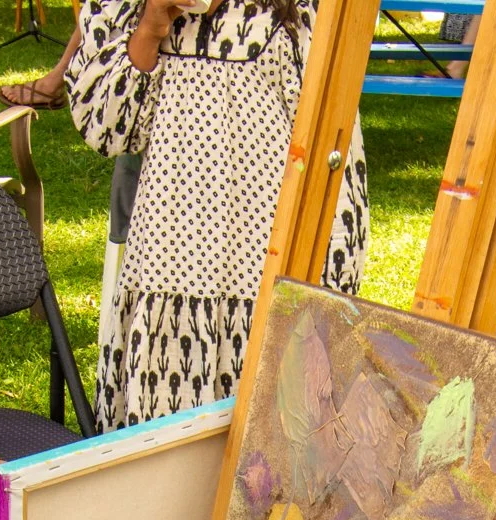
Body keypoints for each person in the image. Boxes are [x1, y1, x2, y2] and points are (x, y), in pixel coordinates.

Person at [68, 0, 369, 428]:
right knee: (165, 463)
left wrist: (332, 290)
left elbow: (335, 155)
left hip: (266, 267)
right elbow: (106, 127)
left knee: (268, 460)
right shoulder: (127, 7)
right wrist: (152, 24)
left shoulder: (301, 8)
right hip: (166, 268)